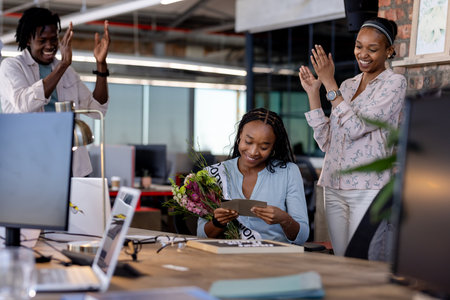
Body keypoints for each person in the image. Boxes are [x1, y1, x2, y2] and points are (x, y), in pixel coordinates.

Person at [298, 17, 406, 255]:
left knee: (365, 260)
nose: (363, 54)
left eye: (372, 48)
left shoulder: (395, 84)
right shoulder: (346, 86)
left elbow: (356, 128)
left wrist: (328, 82)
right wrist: (314, 93)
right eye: (359, 46)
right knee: (341, 259)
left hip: (368, 187)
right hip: (334, 185)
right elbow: (327, 141)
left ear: (389, 51)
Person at [0, 7, 110, 177]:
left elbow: (98, 109)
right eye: (42, 40)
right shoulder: (12, 67)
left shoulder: (67, 72)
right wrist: (63, 65)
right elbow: (24, 105)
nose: (50, 46)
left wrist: (101, 64)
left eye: (54, 39)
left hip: (72, 166)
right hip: (31, 168)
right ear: (28, 39)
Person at [197, 108, 310, 245]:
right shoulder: (214, 174)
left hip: (275, 258)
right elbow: (201, 234)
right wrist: (217, 222)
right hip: (228, 257)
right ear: (239, 136)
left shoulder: (289, 172)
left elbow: (302, 236)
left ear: (274, 146)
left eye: (264, 147)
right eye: (248, 142)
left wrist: (284, 219)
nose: (253, 152)